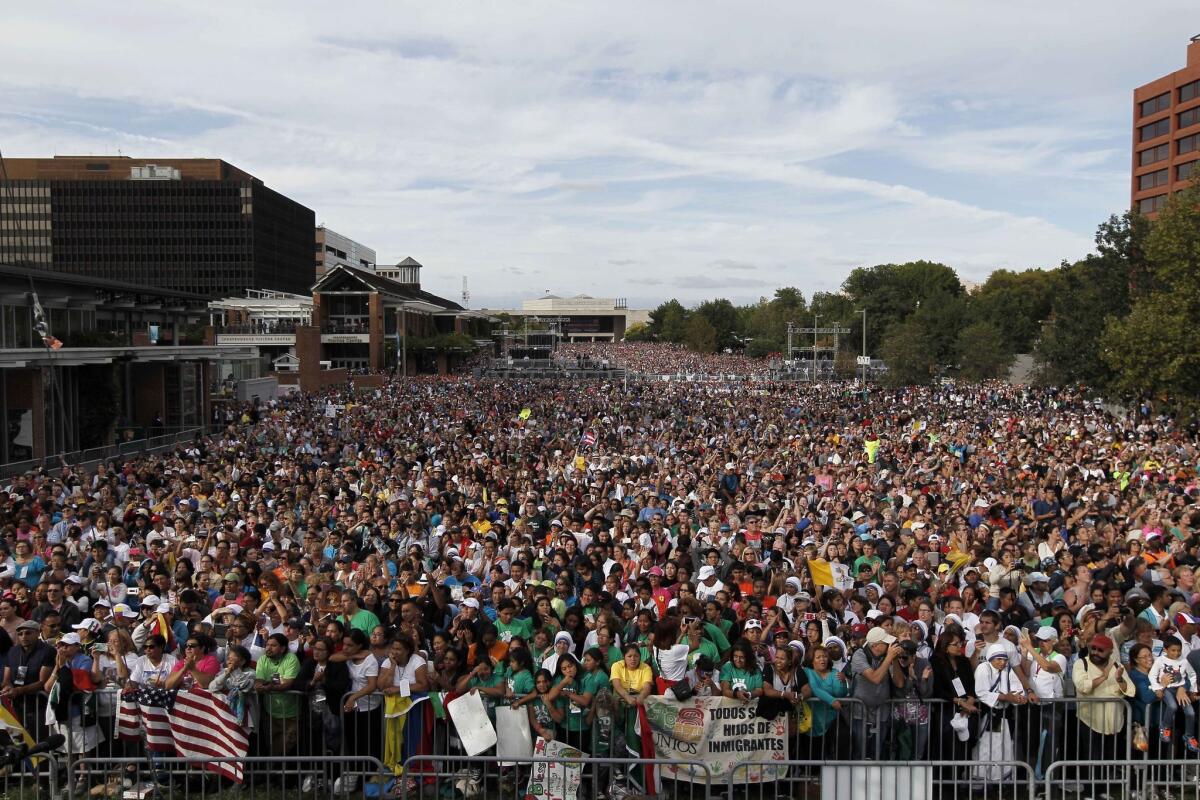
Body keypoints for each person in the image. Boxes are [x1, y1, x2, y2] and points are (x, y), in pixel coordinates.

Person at [254, 632, 301, 767]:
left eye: (273, 645)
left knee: (288, 746)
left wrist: (268, 687)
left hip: (291, 713)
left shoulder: (291, 658)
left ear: (283, 648)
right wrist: (266, 685)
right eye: (267, 645)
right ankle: (275, 777)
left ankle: (286, 777)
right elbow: (258, 683)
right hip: (270, 713)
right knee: (273, 746)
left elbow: (287, 684)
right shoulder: (263, 659)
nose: (268, 648)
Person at [1148, 635, 1200, 751]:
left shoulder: (1184, 661)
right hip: (1167, 689)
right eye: (1173, 650)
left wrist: (1192, 690)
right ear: (1165, 650)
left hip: (1180, 689)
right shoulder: (1160, 660)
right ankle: (1165, 727)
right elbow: (1152, 675)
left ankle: (1189, 736)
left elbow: (1192, 675)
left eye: (1179, 651)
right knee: (1172, 706)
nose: (1176, 653)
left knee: (1191, 713)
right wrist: (1158, 688)